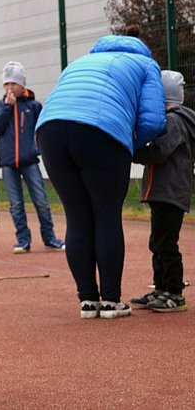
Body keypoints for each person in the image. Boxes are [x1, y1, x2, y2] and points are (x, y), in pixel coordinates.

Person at [36, 34, 166, 319]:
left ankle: (87, 300)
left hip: (49, 130)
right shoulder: (145, 64)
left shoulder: (81, 61)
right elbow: (153, 120)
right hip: (102, 131)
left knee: (77, 215)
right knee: (106, 215)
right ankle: (110, 301)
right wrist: (129, 144)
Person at [130, 70, 195, 313]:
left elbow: (160, 152)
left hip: (170, 192)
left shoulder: (174, 122)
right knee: (158, 241)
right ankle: (161, 287)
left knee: (166, 243)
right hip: (165, 191)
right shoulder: (174, 120)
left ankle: (174, 293)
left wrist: (132, 152)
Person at [0, 61, 65, 254]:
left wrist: (36, 148)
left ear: (23, 85)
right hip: (8, 163)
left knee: (41, 200)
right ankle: (23, 240)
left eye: (14, 84)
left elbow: (42, 129)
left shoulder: (33, 106)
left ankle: (50, 238)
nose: (10, 88)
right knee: (15, 204)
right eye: (6, 84)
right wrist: (7, 107)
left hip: (30, 161)